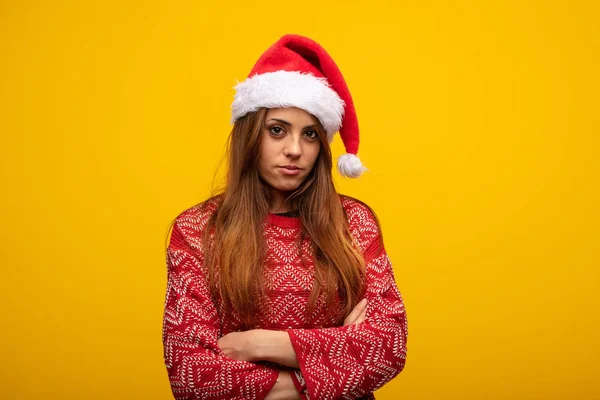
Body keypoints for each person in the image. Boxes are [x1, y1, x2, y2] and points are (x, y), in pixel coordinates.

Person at [162, 34, 408, 400]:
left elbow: (388, 347)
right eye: (277, 130)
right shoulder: (198, 230)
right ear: (250, 135)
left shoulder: (353, 223)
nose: (294, 150)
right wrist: (332, 357)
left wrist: (259, 344)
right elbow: (191, 374)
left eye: (310, 134)